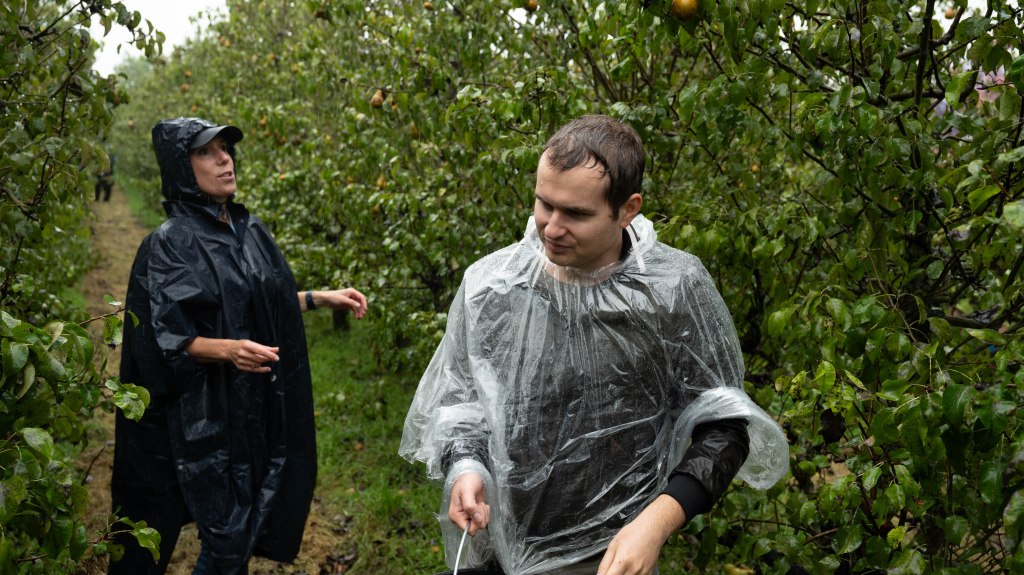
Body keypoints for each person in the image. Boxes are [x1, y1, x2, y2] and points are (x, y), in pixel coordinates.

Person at [399, 115, 788, 575]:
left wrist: (658, 521)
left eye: (576, 214)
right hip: (497, 548)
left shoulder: (671, 292)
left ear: (627, 209)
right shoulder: (494, 287)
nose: (551, 228)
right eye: (544, 204)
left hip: (609, 557)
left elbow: (724, 428)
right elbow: (461, 402)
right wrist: (467, 466)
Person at [109, 117, 369, 575]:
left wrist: (318, 298)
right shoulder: (169, 245)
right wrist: (229, 349)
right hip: (196, 417)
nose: (224, 160)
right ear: (182, 168)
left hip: (246, 409)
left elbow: (253, 301)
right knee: (185, 535)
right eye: (206, 152)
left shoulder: (248, 230)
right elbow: (164, 340)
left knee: (234, 533)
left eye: (225, 149)